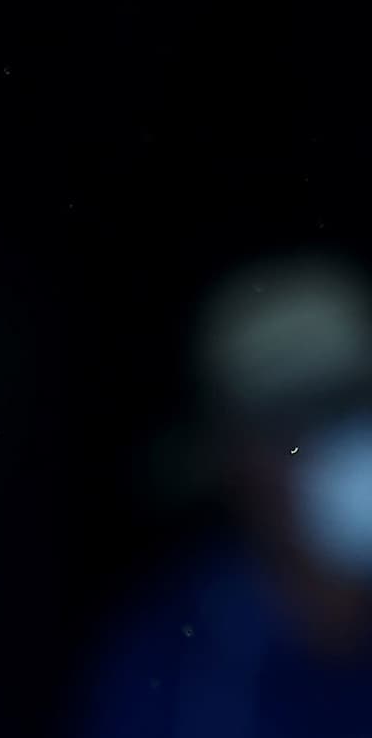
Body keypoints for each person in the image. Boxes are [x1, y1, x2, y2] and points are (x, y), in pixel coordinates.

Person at [64, 249, 372, 737]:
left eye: (351, 408)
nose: (333, 447)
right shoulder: (174, 659)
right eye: (292, 423)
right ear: (235, 464)